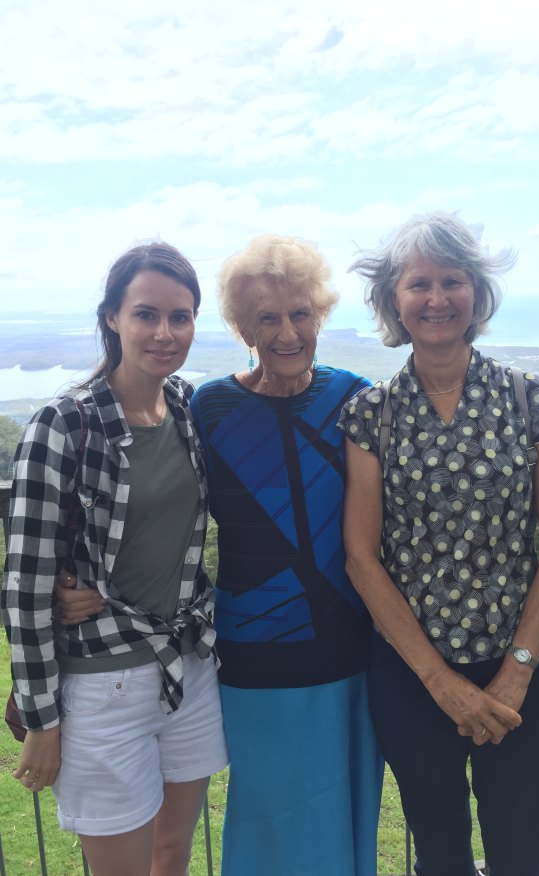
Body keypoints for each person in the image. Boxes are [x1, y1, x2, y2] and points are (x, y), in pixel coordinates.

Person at [56, 234, 384, 875]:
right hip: (254, 653)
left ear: (320, 315)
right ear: (243, 327)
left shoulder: (355, 398)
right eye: (268, 317)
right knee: (268, 813)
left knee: (346, 809)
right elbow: (140, 494)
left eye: (301, 314)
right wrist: (69, 581)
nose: (287, 332)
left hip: (353, 648)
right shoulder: (208, 407)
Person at [338, 212, 539, 876]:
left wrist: (517, 672)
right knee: (439, 855)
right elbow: (361, 556)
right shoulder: (371, 415)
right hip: (414, 677)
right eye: (420, 283)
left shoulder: (531, 400)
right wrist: (440, 683)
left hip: (523, 672)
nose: (437, 298)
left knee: (523, 852)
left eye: (453, 281)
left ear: (477, 294)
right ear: (394, 299)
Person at [2, 242, 228, 876]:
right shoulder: (64, 424)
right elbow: (24, 586)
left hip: (186, 667)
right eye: (146, 314)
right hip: (102, 685)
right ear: (112, 318)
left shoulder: (185, 408)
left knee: (172, 856)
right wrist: (43, 722)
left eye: (180, 317)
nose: (164, 332)